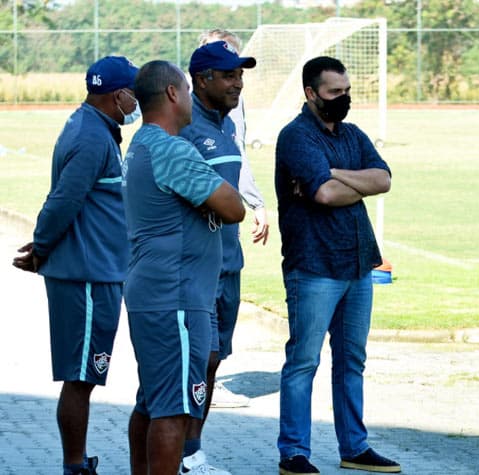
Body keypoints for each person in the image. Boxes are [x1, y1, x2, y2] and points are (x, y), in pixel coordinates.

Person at [11, 55, 139, 475]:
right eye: (133, 94)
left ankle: (77, 461)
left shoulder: (92, 126)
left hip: (96, 269)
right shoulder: (92, 137)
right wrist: (42, 249)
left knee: (83, 374)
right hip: (87, 274)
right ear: (118, 95)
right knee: (81, 376)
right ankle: (74, 465)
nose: (136, 101)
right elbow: (63, 201)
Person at [274, 56, 399, 475]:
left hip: (359, 264)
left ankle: (355, 447)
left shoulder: (352, 134)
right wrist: (348, 182)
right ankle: (294, 453)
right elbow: (325, 196)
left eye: (346, 91)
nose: (343, 99)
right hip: (313, 266)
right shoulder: (295, 137)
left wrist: (332, 174)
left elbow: (383, 179)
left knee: (351, 360)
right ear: (311, 93)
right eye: (334, 93)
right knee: (303, 361)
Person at [123, 60, 245, 475]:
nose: (192, 99)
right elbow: (233, 207)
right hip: (175, 295)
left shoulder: (142, 142)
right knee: (173, 410)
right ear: (174, 94)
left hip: (154, 291)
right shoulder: (172, 149)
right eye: (187, 91)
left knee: (153, 401)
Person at [177, 39, 259, 475]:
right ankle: (187, 454)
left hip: (231, 265)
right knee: (200, 360)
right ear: (201, 80)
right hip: (197, 272)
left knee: (212, 364)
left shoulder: (226, 128)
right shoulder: (186, 130)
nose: (237, 84)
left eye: (240, 75)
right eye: (229, 76)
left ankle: (193, 450)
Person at [198, 29, 270, 251]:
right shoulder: (183, 108)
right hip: (198, 226)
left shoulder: (231, 104)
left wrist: (254, 201)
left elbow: (235, 152)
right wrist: (256, 203)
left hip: (224, 218)